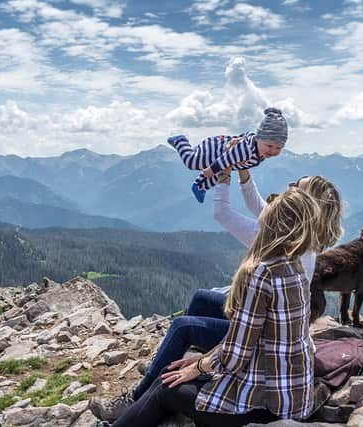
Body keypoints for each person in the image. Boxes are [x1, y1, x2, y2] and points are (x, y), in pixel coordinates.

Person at [90, 169, 343, 422]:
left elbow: (237, 354)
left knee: (165, 386)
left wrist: (198, 366)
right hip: (288, 393)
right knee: (174, 374)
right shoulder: (295, 265)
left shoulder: (264, 273)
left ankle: (129, 409)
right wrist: (203, 360)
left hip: (266, 404)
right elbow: (255, 340)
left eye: (295, 188)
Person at [168, 107, 287, 203]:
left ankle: (200, 186)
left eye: (278, 148)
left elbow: (247, 134)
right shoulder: (247, 150)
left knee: (217, 174)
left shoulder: (261, 151)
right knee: (192, 162)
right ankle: (180, 141)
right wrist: (211, 169)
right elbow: (227, 158)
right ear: (259, 138)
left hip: (224, 159)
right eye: (269, 146)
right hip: (215, 149)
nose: (273, 151)